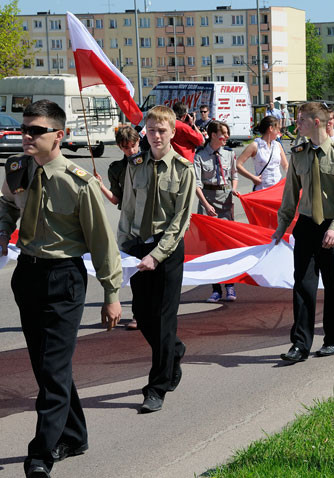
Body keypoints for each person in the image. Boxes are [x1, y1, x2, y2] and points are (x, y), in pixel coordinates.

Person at [0, 100, 123, 477]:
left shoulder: (78, 182)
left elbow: (102, 242)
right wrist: (3, 231)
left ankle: (41, 453)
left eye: (36, 130)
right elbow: (6, 206)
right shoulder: (18, 168)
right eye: (25, 128)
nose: (27, 136)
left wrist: (112, 293)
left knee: (53, 370)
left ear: (59, 136)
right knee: (46, 367)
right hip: (28, 276)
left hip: (64, 279)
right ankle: (76, 434)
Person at [118, 105, 195, 413]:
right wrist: (122, 245)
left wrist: (157, 255)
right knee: (142, 314)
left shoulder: (183, 169)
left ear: (173, 132)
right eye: (151, 130)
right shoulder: (135, 164)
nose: (156, 136)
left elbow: (181, 220)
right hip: (137, 247)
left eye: (162, 130)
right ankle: (174, 350)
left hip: (167, 249)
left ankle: (157, 386)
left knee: (163, 318)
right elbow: (127, 208)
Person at [271, 102, 334, 362]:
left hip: (332, 227)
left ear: (316, 122)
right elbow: (290, 194)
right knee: (303, 286)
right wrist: (282, 226)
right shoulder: (298, 152)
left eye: (302, 121)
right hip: (307, 226)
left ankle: (333, 338)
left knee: (333, 286)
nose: (297, 125)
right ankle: (300, 344)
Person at [95, 125, 143, 330]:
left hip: (149, 219)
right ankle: (138, 314)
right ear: (119, 147)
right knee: (131, 267)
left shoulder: (151, 162)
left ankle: (149, 312)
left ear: (138, 142)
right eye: (125, 148)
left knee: (151, 267)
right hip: (127, 220)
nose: (130, 151)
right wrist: (101, 186)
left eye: (133, 146)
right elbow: (116, 199)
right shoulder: (116, 168)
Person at [194, 120, 239, 303]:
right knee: (211, 248)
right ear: (213, 135)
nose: (226, 137)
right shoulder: (200, 155)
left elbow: (234, 175)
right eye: (223, 134)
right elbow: (196, 184)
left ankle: (230, 287)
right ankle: (215, 289)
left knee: (227, 245)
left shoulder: (229, 154)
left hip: (225, 200)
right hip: (208, 200)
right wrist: (205, 204)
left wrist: (234, 189)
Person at [236, 115, 288, 191]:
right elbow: (237, 164)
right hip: (262, 189)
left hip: (278, 188)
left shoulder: (277, 145)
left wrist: (291, 176)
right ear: (271, 128)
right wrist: (253, 178)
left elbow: (285, 165)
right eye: (278, 129)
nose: (279, 132)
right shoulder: (255, 145)